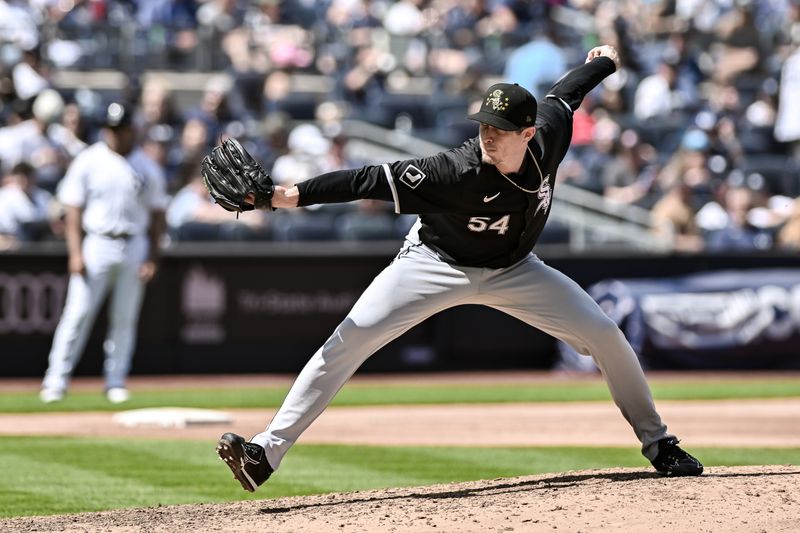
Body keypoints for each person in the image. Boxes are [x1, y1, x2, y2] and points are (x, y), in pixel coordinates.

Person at [215, 45, 704, 492]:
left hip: (517, 269)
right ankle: (265, 454)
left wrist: (604, 62)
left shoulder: (550, 133)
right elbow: (367, 179)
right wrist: (285, 196)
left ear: (528, 133)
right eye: (483, 125)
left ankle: (659, 444)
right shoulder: (456, 170)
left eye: (499, 128)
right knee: (350, 339)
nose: (487, 135)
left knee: (604, 332)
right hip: (435, 263)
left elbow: (567, 93)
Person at [39, 102, 168, 404]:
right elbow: (72, 208)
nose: (116, 135)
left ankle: (115, 380)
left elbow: (158, 215)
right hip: (96, 241)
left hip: (133, 242)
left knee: (124, 318)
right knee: (78, 313)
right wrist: (75, 252)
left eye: (121, 129)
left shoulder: (146, 165)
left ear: (131, 130)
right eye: (111, 129)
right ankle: (56, 380)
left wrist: (152, 257)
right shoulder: (89, 160)